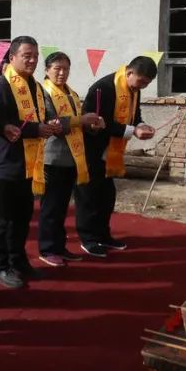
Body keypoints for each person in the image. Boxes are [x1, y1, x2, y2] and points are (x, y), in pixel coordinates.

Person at [0, 36, 58, 288]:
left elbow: (43, 115)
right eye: (27, 55)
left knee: (22, 217)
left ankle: (18, 261)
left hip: (30, 164)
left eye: (36, 56)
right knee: (1, 220)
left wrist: (51, 123)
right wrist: (34, 129)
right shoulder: (1, 86)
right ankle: (0, 266)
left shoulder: (36, 86)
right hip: (6, 164)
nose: (32, 60)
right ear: (11, 57)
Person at [75, 56, 157, 257]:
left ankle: (103, 235)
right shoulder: (103, 88)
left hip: (110, 153)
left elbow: (134, 116)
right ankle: (89, 239)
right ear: (129, 73)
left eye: (147, 84)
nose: (143, 87)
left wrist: (140, 125)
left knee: (107, 197)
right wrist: (132, 131)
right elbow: (99, 124)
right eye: (142, 81)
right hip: (92, 150)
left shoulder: (132, 91)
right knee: (89, 197)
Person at [37, 52, 105, 267]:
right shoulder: (43, 92)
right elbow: (50, 121)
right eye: (57, 68)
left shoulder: (72, 93)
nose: (62, 72)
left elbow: (78, 124)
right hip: (52, 157)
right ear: (47, 70)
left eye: (66, 68)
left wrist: (91, 125)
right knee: (50, 207)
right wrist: (80, 120)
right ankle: (47, 248)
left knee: (62, 206)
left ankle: (59, 246)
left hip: (71, 158)